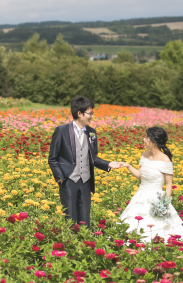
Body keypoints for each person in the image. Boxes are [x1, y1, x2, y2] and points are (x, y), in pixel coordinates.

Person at [48, 96, 125, 228]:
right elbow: (52, 158)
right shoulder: (62, 131)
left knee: (85, 219)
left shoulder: (91, 132)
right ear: (79, 113)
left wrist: (108, 164)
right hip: (68, 181)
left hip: (85, 181)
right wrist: (60, 178)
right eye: (89, 113)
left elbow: (93, 157)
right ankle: (71, 245)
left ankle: (84, 244)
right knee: (70, 219)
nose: (91, 116)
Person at [119, 126, 183, 244]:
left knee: (157, 227)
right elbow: (140, 176)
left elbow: (169, 184)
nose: (143, 139)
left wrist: (164, 204)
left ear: (153, 140)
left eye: (146, 137)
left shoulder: (165, 160)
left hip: (156, 199)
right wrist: (128, 166)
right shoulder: (144, 155)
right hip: (140, 197)